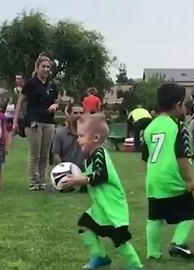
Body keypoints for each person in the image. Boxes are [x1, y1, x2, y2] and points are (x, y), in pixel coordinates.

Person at [61, 113, 143, 270]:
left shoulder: (100, 154)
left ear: (96, 138)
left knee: (119, 239)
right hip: (101, 206)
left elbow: (100, 176)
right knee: (84, 225)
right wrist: (76, 179)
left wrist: (79, 180)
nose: (78, 140)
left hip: (112, 206)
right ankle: (99, 256)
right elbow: (92, 177)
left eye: (81, 136)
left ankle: (136, 266)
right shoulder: (90, 157)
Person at [142, 83, 194, 261]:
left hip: (154, 178)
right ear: (178, 105)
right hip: (172, 177)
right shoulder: (178, 126)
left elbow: (146, 156)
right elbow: (182, 156)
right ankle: (178, 242)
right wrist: (189, 180)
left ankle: (153, 252)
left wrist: (151, 175)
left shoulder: (150, 127)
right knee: (188, 213)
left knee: (155, 217)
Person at [12, 54, 59, 191]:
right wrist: (15, 122)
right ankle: (33, 182)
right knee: (35, 154)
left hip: (49, 122)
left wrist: (56, 106)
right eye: (43, 66)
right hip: (33, 122)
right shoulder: (30, 84)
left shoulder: (52, 85)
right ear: (37, 68)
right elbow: (20, 103)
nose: (45, 69)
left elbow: (56, 102)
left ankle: (42, 182)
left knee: (45, 155)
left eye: (48, 67)